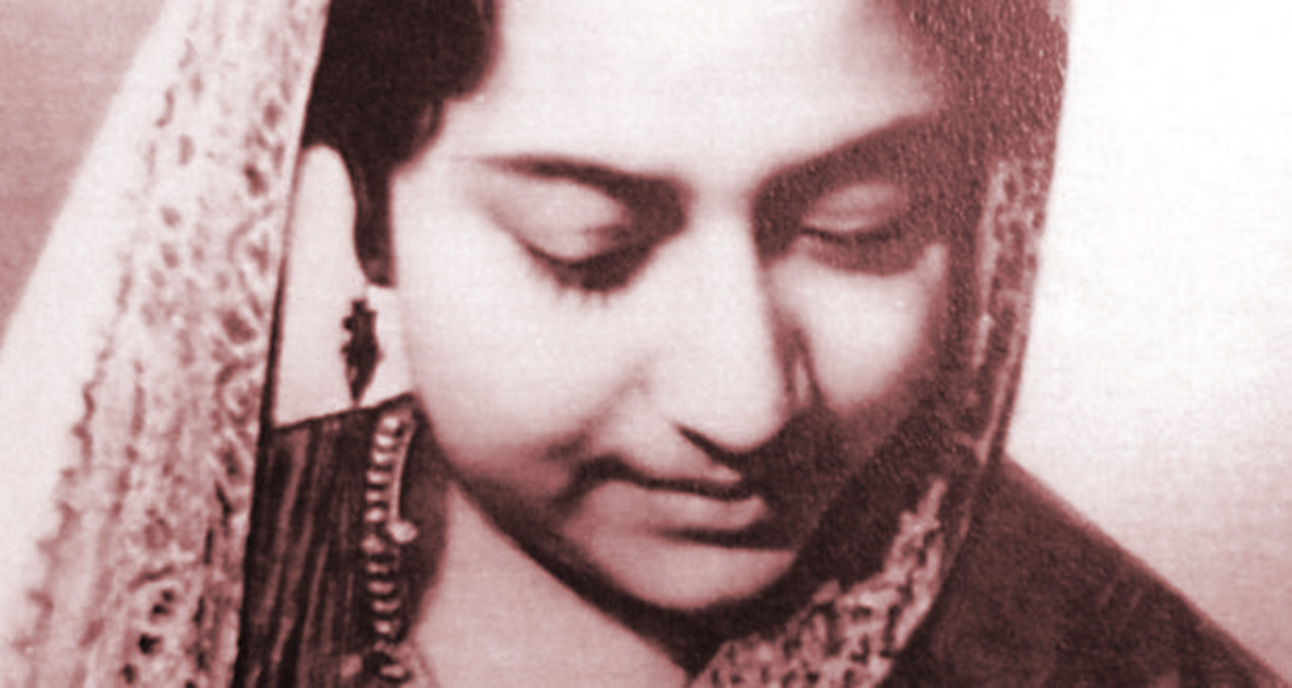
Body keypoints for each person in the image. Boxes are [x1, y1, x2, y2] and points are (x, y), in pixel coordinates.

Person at [7, 0, 1281, 686]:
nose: (744, 401)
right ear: (371, 219)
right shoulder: (131, 592)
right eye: (588, 246)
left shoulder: (1111, 668)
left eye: (858, 227)